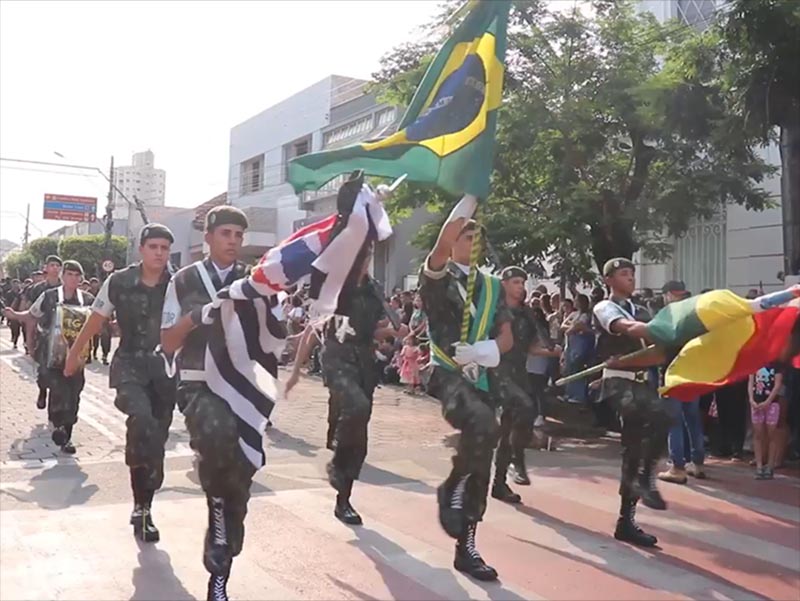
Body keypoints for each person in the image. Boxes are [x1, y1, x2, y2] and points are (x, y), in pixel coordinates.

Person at [160, 206, 253, 600]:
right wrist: (197, 317)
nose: (233, 241)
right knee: (216, 437)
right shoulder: (183, 280)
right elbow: (166, 341)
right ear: (209, 237)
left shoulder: (254, 281)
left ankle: (224, 555)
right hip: (199, 384)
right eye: (226, 233)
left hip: (246, 389)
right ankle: (216, 520)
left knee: (242, 476)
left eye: (238, 235)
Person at [419, 194, 513, 582]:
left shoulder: (492, 286)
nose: (469, 244)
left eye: (476, 239)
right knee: (483, 426)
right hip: (447, 373)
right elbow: (441, 244)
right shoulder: (436, 278)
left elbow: (505, 335)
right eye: (463, 237)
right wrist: (471, 197)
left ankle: (467, 544)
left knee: (483, 460)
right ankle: (451, 487)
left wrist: (488, 349)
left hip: (483, 375)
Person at [65, 224, 176, 543]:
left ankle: (144, 505)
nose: (159, 253)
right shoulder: (119, 281)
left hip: (166, 370)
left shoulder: (178, 284)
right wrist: (75, 353)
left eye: (164, 248)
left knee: (156, 439)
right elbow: (96, 318)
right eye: (153, 246)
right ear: (141, 248)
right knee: (141, 420)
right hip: (129, 365)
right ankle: (142, 504)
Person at [593, 258, 671, 548]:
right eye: (623, 274)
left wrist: (661, 340)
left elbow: (657, 356)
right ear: (608, 280)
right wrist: (662, 331)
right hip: (616, 381)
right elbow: (626, 327)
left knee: (652, 430)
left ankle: (632, 507)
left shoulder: (642, 310)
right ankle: (641, 486)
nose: (630, 278)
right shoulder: (605, 307)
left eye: (632, 274)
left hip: (640, 382)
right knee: (647, 424)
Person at [4, 260, 93, 454]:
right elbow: (32, 315)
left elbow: (98, 319)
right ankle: (58, 425)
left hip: (76, 357)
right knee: (58, 391)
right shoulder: (49, 296)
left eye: (77, 275)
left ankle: (67, 432)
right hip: (51, 355)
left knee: (74, 393)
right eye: (69, 274)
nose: (73, 279)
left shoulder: (87, 299)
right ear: (62, 276)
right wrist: (15, 315)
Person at [489, 266, 540, 500]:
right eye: (516, 282)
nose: (520, 287)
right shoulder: (492, 312)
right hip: (496, 371)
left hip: (518, 372)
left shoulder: (527, 314)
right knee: (525, 407)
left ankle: (499, 483)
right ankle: (517, 460)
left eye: (522, 282)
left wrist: (551, 352)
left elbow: (530, 346)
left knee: (508, 428)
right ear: (504, 285)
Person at [658, 281, 706, 484]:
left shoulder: (667, 316)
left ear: (668, 295)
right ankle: (697, 463)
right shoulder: (695, 316)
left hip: (674, 374)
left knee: (674, 421)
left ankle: (677, 466)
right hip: (693, 373)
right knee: (693, 419)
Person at [26, 256, 63, 408]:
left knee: (59, 371)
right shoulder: (37, 289)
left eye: (57, 265)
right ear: (46, 268)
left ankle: (56, 404)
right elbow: (30, 314)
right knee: (43, 369)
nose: (55, 268)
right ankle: (42, 391)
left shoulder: (65, 287)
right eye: (52, 265)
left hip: (62, 337)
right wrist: (29, 340)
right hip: (44, 335)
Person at [749, 364, 785, 479]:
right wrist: (751, 399)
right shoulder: (754, 363)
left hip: (772, 403)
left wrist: (768, 401)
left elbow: (777, 385)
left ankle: (770, 466)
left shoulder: (776, 364)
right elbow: (750, 382)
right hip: (756, 403)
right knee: (758, 433)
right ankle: (759, 466)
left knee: (771, 434)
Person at [561, 294, 594, 404]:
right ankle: (569, 393)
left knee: (577, 369)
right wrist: (572, 327)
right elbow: (564, 326)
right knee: (569, 369)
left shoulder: (586, 315)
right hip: (570, 344)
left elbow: (579, 327)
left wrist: (574, 327)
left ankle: (578, 396)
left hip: (580, 345)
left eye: (577, 300)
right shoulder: (574, 314)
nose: (575, 302)